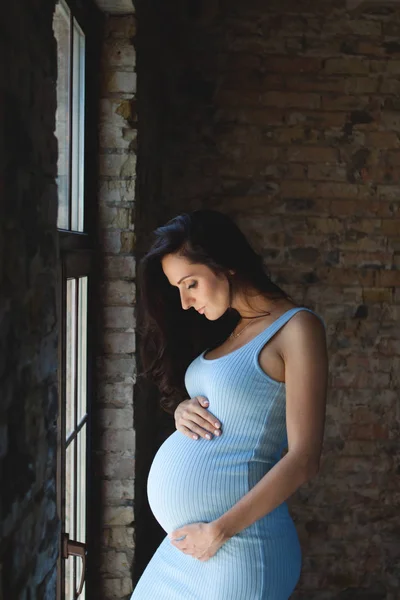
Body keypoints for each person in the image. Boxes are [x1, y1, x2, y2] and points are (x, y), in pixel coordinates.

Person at [131, 209, 328, 600]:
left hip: (236, 545)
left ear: (226, 264)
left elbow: (305, 458)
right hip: (187, 549)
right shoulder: (228, 326)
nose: (185, 302)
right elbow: (232, 401)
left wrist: (218, 531)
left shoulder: (297, 328)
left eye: (191, 284)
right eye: (178, 289)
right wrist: (181, 409)